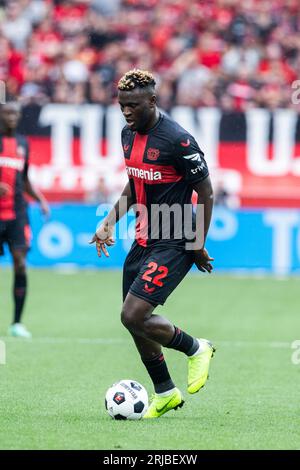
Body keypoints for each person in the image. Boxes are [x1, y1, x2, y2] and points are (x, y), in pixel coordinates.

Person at [90, 69, 215, 418]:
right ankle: (165, 392)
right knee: (132, 321)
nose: (126, 112)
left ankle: (196, 348)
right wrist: (108, 222)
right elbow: (134, 185)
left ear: (152, 101)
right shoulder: (127, 135)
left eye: (133, 106)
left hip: (175, 239)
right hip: (142, 238)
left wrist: (197, 243)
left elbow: (205, 191)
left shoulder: (178, 140)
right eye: (121, 105)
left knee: (134, 313)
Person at [0, 101, 50, 338]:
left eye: (15, 114)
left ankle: (17, 323)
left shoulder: (22, 143)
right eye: (8, 113)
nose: (12, 117)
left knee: (20, 263)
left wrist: (39, 198)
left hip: (17, 213)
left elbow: (25, 177)